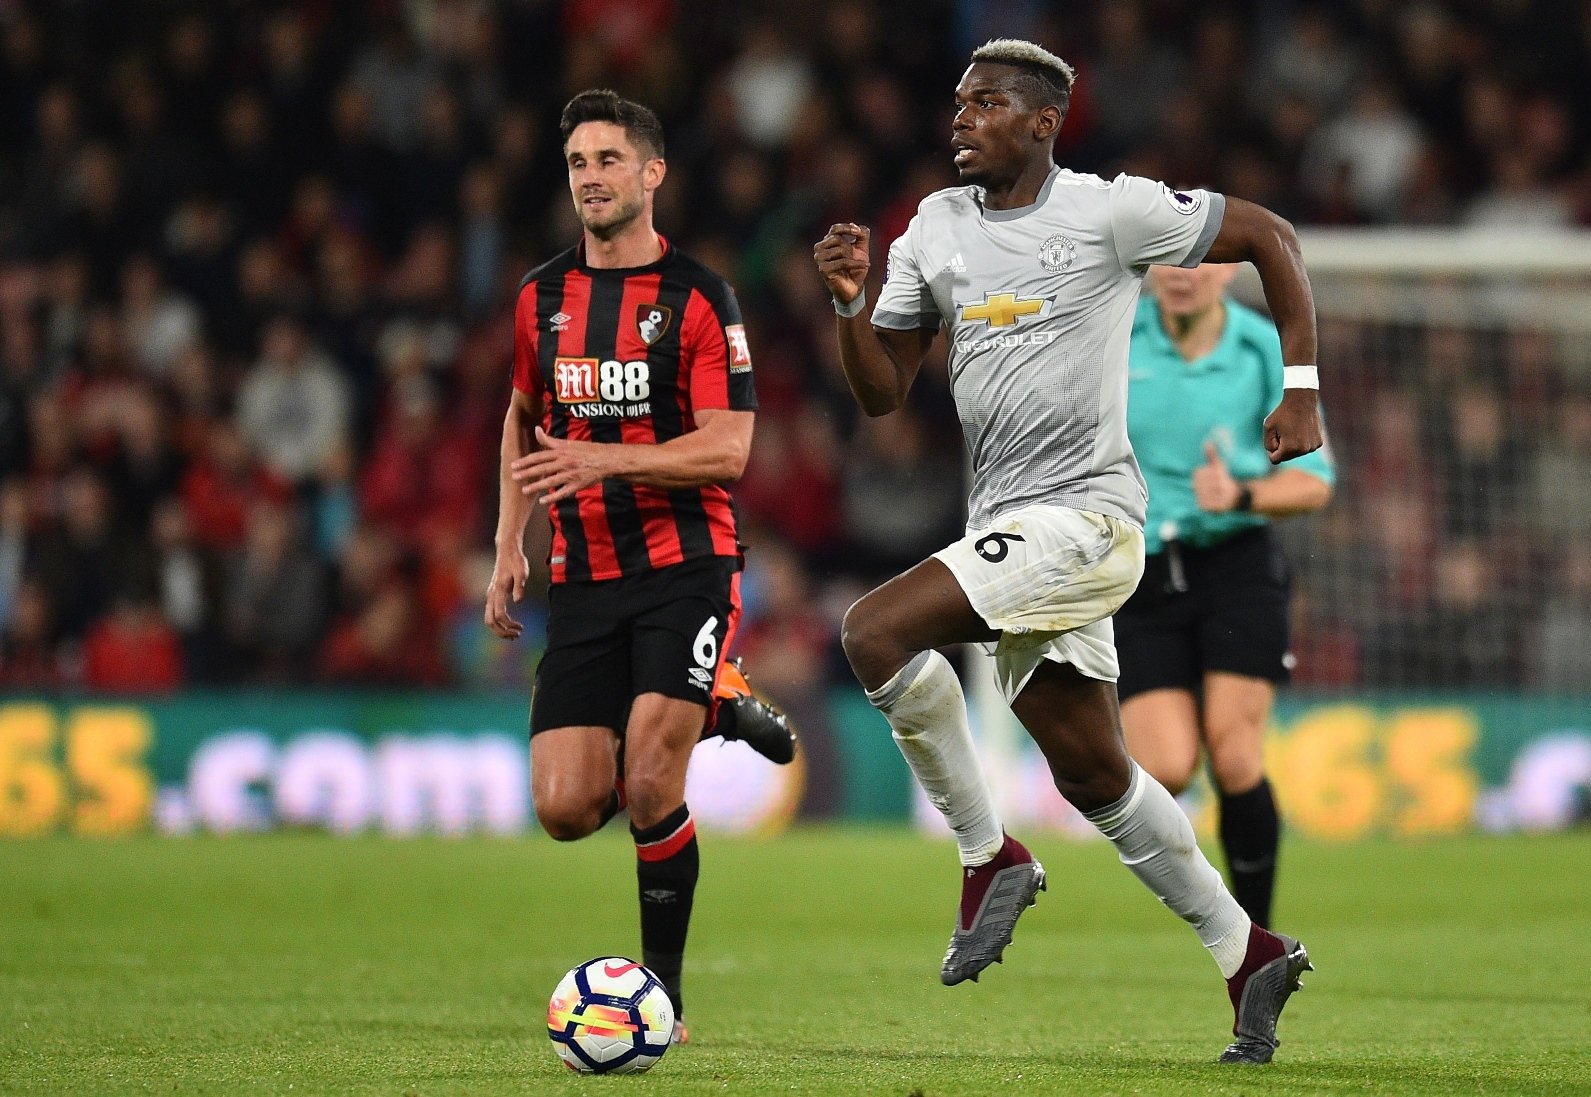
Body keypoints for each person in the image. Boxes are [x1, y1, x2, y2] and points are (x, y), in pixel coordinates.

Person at [813, 40, 1322, 1064]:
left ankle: (985, 852)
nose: (960, 118)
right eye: (957, 103)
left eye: (987, 104)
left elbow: (1268, 235)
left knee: (870, 631)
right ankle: (1247, 948)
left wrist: (1300, 383)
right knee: (1097, 772)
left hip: (1086, 518)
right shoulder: (933, 229)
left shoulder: (1108, 209)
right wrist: (847, 304)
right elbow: (881, 390)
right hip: (1010, 526)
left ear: (1044, 123)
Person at [485, 89, 795, 1046]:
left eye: (609, 160)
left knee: (652, 783)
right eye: (578, 163)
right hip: (584, 576)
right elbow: (522, 413)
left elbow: (728, 449)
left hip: (685, 564)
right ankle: (718, 705)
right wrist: (509, 541)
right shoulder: (539, 297)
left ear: (652, 173)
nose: (591, 178)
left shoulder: (700, 298)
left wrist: (605, 458)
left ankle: (662, 994)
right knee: (567, 807)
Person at [1118, 262, 1336, 931]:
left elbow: (1313, 480)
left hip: (1234, 563)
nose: (1182, 275)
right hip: (1139, 571)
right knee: (1164, 766)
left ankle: (1255, 942)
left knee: (1235, 751)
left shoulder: (1263, 345)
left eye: (1200, 259)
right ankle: (1216, 919)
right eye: (1168, 258)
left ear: (1230, 270)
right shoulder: (1112, 337)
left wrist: (1241, 493)